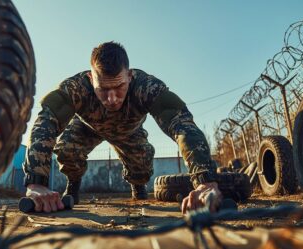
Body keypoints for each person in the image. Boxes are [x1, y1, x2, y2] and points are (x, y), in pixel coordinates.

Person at [23, 41, 222, 214]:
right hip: (87, 128)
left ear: (129, 76)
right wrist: (36, 183)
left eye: (119, 88)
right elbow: (45, 123)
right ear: (91, 79)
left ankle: (138, 188)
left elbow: (182, 125)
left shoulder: (147, 87)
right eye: (103, 90)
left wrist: (204, 180)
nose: (111, 99)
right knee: (66, 151)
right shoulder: (76, 87)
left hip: (129, 131)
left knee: (142, 168)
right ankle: (73, 186)